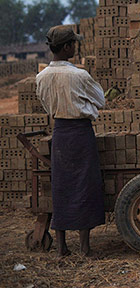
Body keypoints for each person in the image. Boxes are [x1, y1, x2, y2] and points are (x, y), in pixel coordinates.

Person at [35, 25, 106, 258]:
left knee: (62, 187)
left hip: (61, 135)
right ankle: (85, 248)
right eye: (73, 43)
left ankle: (61, 247)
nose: (76, 46)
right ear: (66, 47)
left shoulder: (42, 77)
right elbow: (100, 100)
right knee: (85, 186)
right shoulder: (79, 75)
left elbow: (47, 106)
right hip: (81, 134)